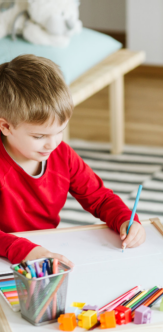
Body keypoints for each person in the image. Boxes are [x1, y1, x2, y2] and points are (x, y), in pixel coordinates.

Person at [0, 54, 146, 267]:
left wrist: (126, 220)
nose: (52, 144)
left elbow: (99, 198)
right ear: (5, 127)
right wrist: (25, 250)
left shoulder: (62, 155)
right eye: (39, 137)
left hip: (42, 253)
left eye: (60, 131)